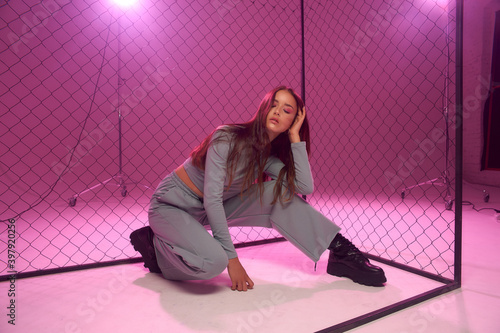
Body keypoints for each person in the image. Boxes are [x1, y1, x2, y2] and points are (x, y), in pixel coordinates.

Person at [130, 86, 386, 291]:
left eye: (287, 110)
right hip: (173, 206)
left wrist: (296, 138)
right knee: (214, 263)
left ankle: (340, 251)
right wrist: (232, 260)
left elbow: (304, 187)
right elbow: (212, 199)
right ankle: (155, 249)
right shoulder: (226, 137)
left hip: (207, 209)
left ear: (293, 121)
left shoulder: (267, 157)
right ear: (263, 109)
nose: (277, 111)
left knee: (279, 195)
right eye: (273, 104)